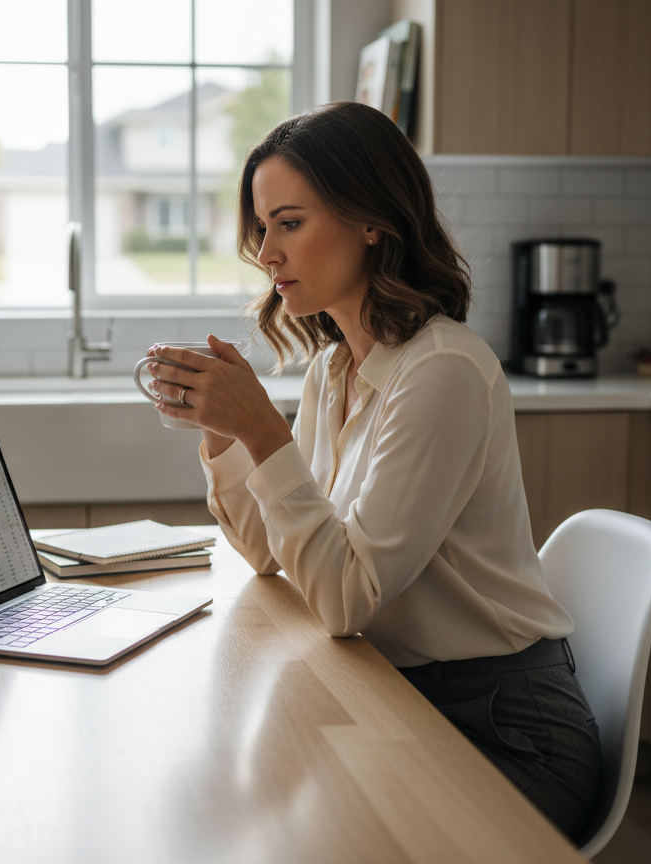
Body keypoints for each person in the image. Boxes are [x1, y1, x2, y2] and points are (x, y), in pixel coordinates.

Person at [143, 102, 601, 841]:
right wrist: (226, 433)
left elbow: (346, 598)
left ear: (371, 221)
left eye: (290, 223)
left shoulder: (442, 371)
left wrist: (263, 427)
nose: (267, 252)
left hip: (506, 731)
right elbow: (273, 555)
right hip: (401, 696)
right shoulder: (335, 368)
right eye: (262, 229)